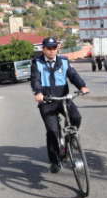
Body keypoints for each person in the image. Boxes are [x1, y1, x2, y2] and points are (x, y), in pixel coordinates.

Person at [31, 37, 89, 173]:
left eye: (54, 48)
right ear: (43, 49)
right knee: (52, 131)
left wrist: (82, 86)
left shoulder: (63, 61)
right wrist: (38, 92)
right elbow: (35, 79)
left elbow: (73, 75)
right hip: (46, 101)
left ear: (57, 48)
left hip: (63, 99)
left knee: (77, 117)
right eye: (48, 48)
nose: (52, 51)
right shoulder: (37, 63)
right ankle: (55, 160)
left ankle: (70, 136)